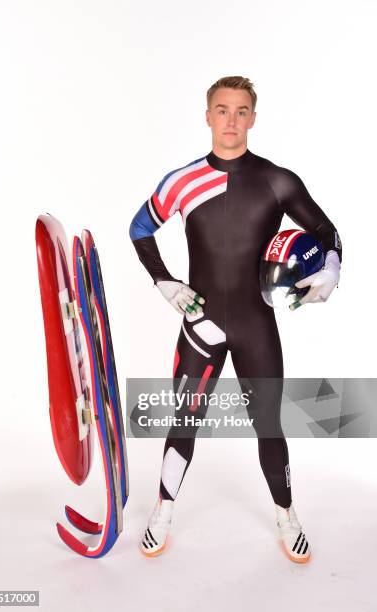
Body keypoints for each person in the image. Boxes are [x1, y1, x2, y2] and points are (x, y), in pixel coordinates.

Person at [129, 76, 342, 562]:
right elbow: (140, 228)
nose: (231, 120)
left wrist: (330, 269)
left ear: (253, 117)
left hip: (256, 324)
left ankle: (286, 514)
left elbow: (327, 231)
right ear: (207, 116)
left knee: (267, 422)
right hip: (200, 323)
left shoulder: (276, 179)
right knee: (185, 418)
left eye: (241, 111)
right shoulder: (181, 180)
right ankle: (162, 509)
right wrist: (164, 281)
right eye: (222, 110)